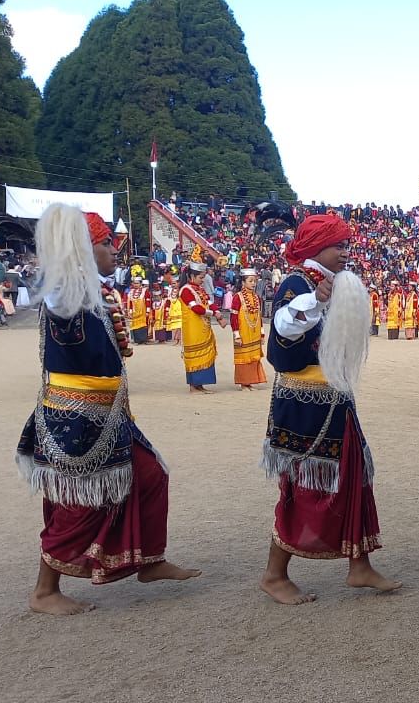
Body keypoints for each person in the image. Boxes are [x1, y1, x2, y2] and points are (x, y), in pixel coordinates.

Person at [16, 205, 199, 615]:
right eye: (104, 244)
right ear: (81, 251)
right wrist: (67, 241)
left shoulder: (93, 291)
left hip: (109, 413)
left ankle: (149, 560)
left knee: (151, 474)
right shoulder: (67, 292)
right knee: (81, 500)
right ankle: (45, 590)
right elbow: (63, 294)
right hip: (76, 416)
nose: (114, 251)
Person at [258, 213, 400, 605]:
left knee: (354, 477)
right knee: (304, 487)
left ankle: (360, 565)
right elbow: (285, 325)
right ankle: (275, 574)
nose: (345, 252)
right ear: (317, 246)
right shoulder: (298, 283)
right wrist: (317, 300)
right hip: (304, 404)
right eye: (339, 245)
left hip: (335, 400)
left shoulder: (332, 284)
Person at [178, 249, 227, 393]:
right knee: (195, 356)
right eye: (200, 277)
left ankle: (200, 385)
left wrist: (217, 311)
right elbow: (196, 308)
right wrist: (215, 314)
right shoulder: (186, 290)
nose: (202, 280)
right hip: (193, 329)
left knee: (206, 354)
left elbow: (209, 302)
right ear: (191, 276)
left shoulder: (199, 289)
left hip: (203, 328)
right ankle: (194, 386)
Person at [230, 269, 268, 390]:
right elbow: (233, 317)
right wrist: (236, 334)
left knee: (253, 356)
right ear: (243, 282)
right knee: (244, 357)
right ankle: (243, 383)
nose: (253, 283)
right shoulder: (237, 297)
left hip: (254, 332)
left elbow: (259, 317)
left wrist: (262, 333)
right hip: (243, 333)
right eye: (250, 281)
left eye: (254, 281)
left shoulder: (256, 297)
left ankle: (250, 382)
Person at [128, 279, 151, 344]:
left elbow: (148, 301)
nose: (135, 285)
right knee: (135, 326)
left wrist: (147, 311)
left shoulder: (145, 291)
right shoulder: (131, 292)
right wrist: (130, 311)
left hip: (143, 312)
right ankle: (137, 340)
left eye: (137, 283)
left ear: (141, 284)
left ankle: (144, 340)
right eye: (134, 283)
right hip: (135, 312)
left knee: (143, 325)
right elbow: (130, 302)